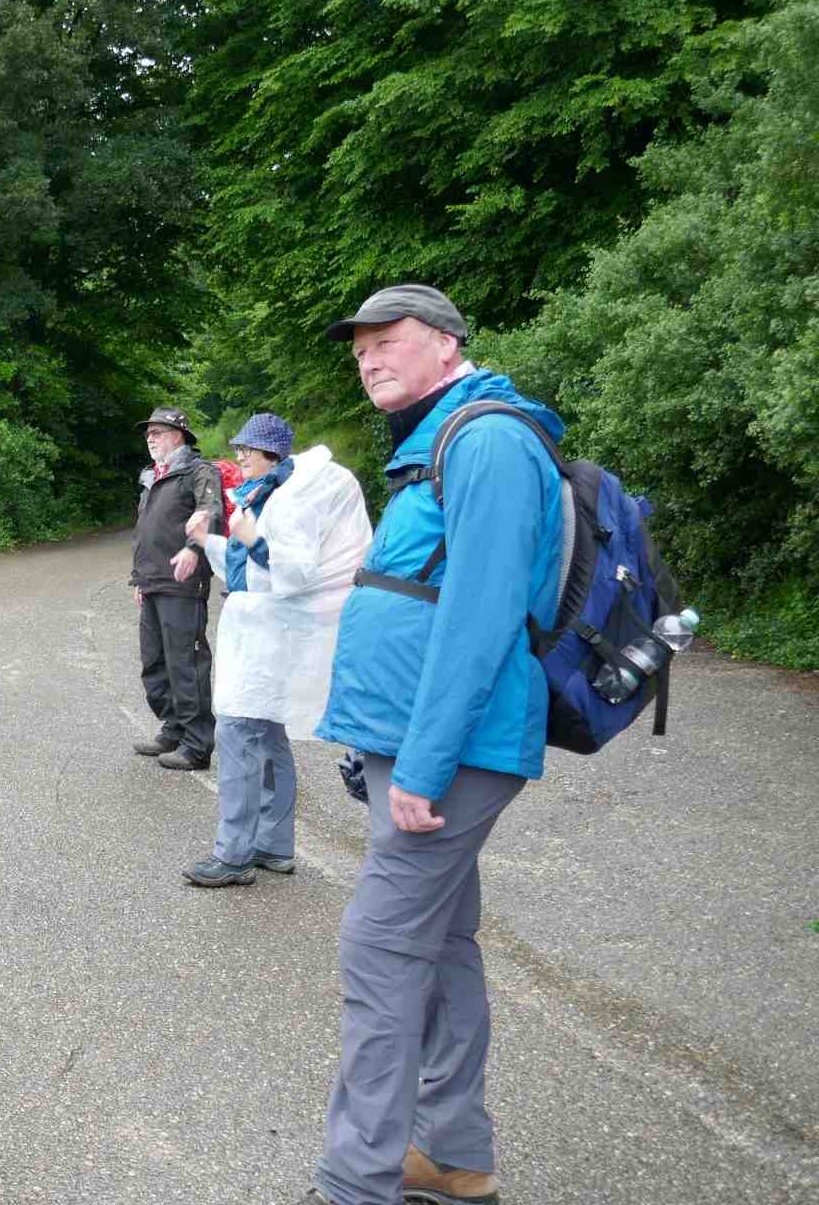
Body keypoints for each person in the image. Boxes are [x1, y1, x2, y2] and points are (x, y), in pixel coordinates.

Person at [301, 285, 567, 1205]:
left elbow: (482, 617)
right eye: (359, 350)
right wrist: (374, 744)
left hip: (452, 749)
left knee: (380, 950)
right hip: (418, 739)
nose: (370, 358)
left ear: (448, 345)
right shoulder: (437, 441)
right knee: (441, 944)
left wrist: (420, 763)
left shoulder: (485, 440)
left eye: (390, 341)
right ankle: (451, 1157)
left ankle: (356, 1182)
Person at [176, 413, 371, 887]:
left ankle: (233, 855)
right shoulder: (268, 494)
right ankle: (274, 845)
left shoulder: (286, 499)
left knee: (239, 736)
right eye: (240, 448)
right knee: (267, 736)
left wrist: (252, 539)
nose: (240, 455)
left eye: (249, 448)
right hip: (265, 630)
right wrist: (209, 541)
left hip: (268, 635)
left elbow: (293, 571)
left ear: (273, 453)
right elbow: (247, 569)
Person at [129, 407, 222, 770]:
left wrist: (194, 549)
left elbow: (211, 513)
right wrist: (138, 578)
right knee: (154, 664)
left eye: (157, 432)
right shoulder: (152, 476)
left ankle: (196, 744)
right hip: (152, 581)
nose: (150, 438)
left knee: (186, 663)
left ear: (178, 435)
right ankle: (174, 729)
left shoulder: (199, 471)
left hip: (183, 583)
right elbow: (144, 532)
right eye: (148, 433)